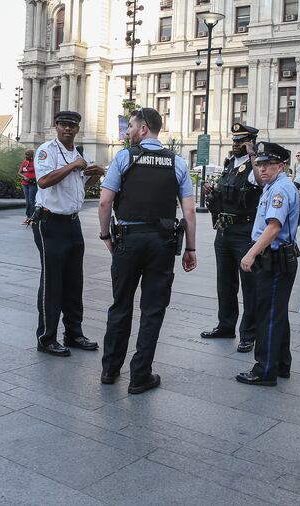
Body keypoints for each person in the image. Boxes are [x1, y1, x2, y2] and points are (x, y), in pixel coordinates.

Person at [98, 107, 197, 393]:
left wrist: (106, 235)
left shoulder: (124, 158)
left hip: (128, 240)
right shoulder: (177, 163)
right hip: (162, 243)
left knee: (121, 305)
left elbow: (105, 202)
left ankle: (110, 369)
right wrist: (190, 247)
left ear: (143, 129)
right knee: (152, 310)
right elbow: (189, 210)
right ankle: (140, 376)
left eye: (130, 126)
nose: (127, 131)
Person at [31, 111, 105, 357]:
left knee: (75, 281)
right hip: (50, 222)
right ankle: (46, 337)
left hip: (73, 223)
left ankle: (73, 333)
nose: (68, 130)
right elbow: (43, 181)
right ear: (56, 126)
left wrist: (95, 174)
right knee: (52, 282)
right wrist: (73, 165)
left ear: (77, 129)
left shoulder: (80, 154)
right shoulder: (47, 151)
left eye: (72, 126)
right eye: (63, 125)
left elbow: (83, 186)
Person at [236, 142, 300, 386]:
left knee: (268, 314)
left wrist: (251, 253)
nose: (262, 169)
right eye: (260, 164)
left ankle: (265, 369)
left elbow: (274, 227)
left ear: (281, 166)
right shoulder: (274, 186)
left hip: (274, 259)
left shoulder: (279, 190)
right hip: (278, 257)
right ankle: (281, 363)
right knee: (277, 312)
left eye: (268, 165)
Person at [201, 123, 262, 353]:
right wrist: (213, 192)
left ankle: (249, 334)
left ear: (251, 142)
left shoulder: (254, 164)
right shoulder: (229, 164)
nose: (236, 145)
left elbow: (260, 181)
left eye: (241, 141)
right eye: (234, 141)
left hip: (244, 233)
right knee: (225, 284)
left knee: (249, 286)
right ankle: (226, 326)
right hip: (224, 230)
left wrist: (253, 154)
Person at [19, 149, 37, 224]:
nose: (26, 156)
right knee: (27, 201)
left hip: (33, 184)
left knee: (31, 201)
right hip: (25, 184)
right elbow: (19, 173)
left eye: (27, 154)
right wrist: (24, 177)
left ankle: (32, 218)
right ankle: (28, 217)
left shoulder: (36, 162)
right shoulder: (24, 162)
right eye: (25, 154)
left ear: (31, 155)